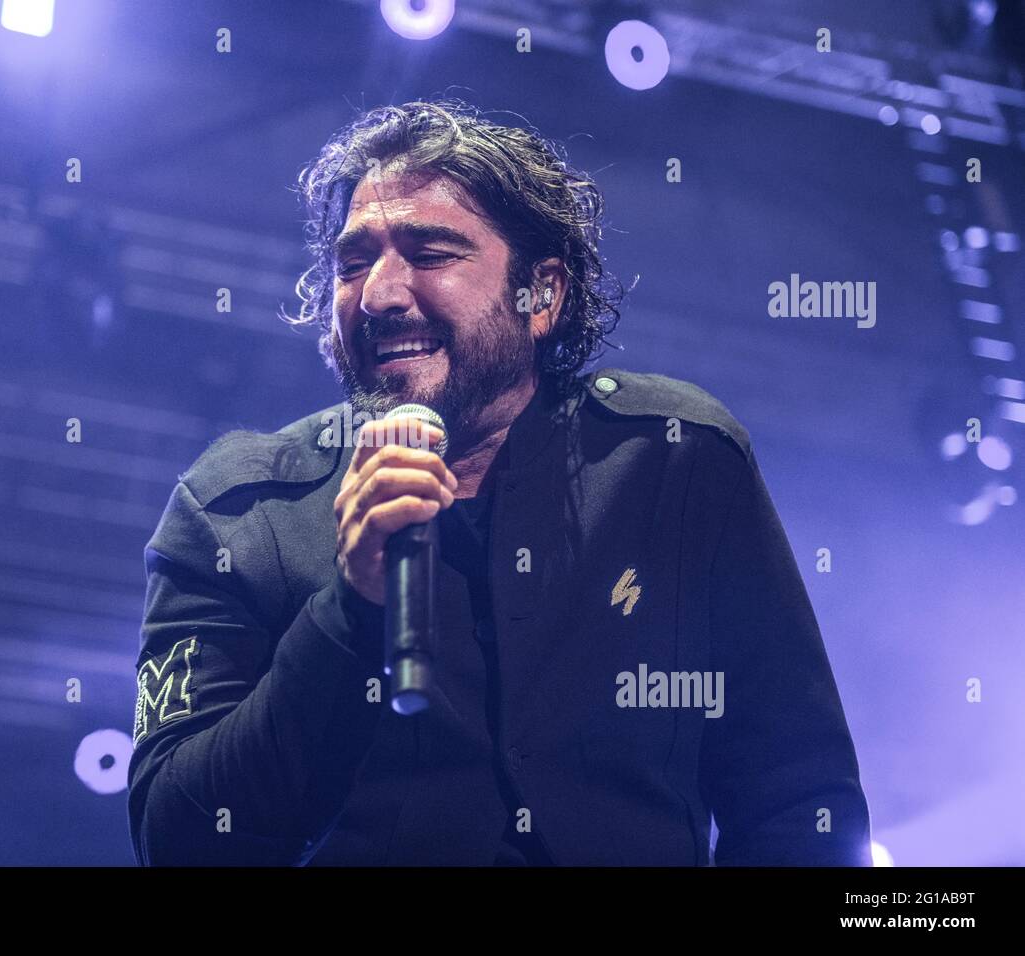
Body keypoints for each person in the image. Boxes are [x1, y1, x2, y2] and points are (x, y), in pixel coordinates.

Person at [127, 100, 871, 866]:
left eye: (430, 252)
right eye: (354, 262)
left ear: (541, 295)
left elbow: (799, 799)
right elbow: (178, 838)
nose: (379, 294)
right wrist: (351, 612)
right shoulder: (239, 512)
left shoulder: (675, 461)